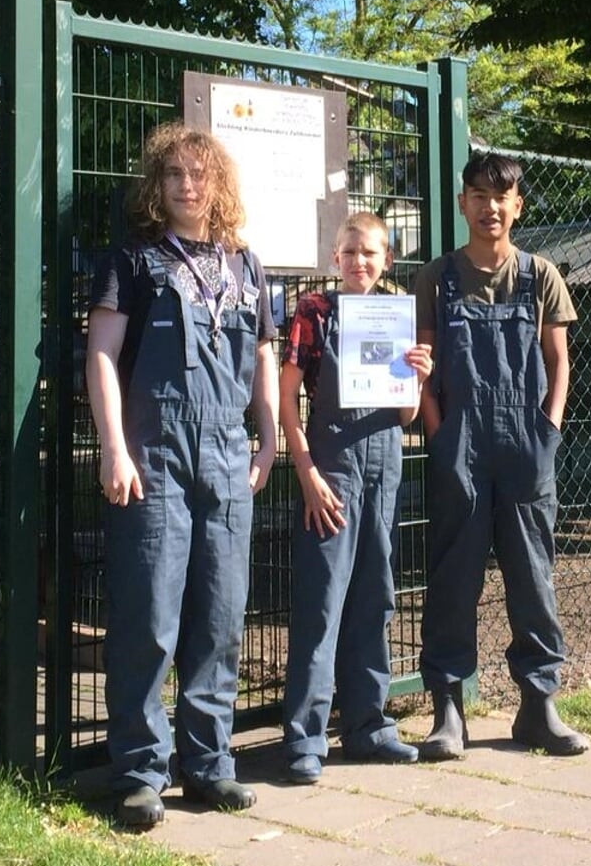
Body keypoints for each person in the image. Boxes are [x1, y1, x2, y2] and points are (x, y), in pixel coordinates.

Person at [84, 122, 279, 828]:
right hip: (154, 457)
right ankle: (139, 772)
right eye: (174, 175)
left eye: (199, 175)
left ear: (218, 184)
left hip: (227, 459)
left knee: (222, 617)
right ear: (157, 187)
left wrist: (271, 438)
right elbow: (102, 355)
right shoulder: (132, 261)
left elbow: (263, 359)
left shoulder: (246, 266)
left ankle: (208, 764)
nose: (187, 186)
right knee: (148, 616)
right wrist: (113, 446)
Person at [412, 153, 589, 760]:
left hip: (526, 443)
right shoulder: (437, 279)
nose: (490, 206)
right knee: (453, 578)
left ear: (517, 206)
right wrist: (438, 433)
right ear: (462, 203)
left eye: (501, 196)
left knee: (533, 576)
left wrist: (549, 427)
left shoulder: (541, 275)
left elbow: (559, 360)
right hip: (459, 443)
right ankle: (447, 712)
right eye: (478, 195)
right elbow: (425, 367)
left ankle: (538, 707)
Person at [278, 213, 432, 784]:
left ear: (386, 260)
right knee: (321, 606)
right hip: (333, 471)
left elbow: (407, 415)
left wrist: (416, 376)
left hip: (384, 469)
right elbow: (287, 398)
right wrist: (307, 472)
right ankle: (305, 740)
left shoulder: (396, 316)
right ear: (335, 257)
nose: (359, 263)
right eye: (349, 253)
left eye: (369, 254)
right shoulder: (314, 313)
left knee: (376, 598)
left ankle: (368, 727)